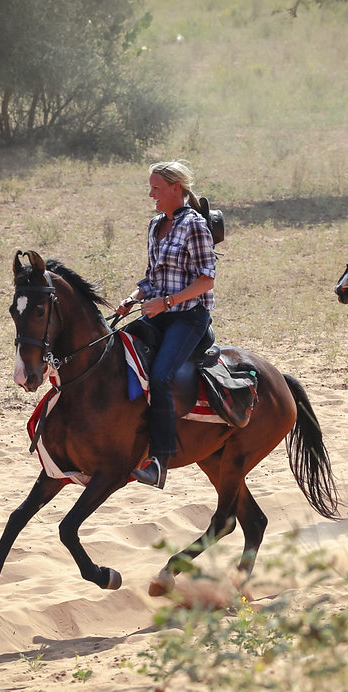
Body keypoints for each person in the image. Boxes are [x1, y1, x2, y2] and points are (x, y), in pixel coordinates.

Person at [115, 160, 217, 487]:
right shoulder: (155, 224)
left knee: (159, 376)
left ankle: (159, 461)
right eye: (151, 188)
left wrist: (167, 302)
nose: (150, 195)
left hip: (188, 317)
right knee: (116, 352)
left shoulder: (195, 226)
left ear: (177, 189)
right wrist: (132, 298)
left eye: (156, 189)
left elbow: (206, 280)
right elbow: (152, 277)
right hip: (157, 312)